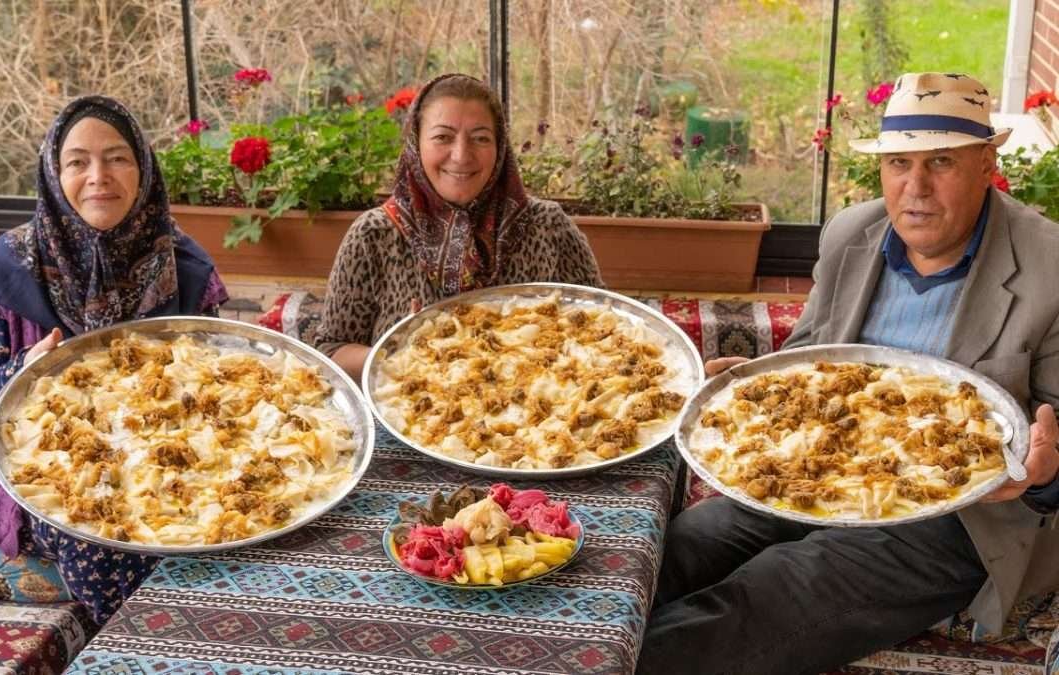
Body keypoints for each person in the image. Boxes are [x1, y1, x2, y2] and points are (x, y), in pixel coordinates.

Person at [638, 72, 1059, 674]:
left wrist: (1046, 471)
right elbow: (811, 356)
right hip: (813, 470)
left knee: (769, 593)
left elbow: (1053, 428)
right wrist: (757, 381)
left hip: (954, 513)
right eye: (898, 164)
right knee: (679, 549)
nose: (915, 188)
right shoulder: (851, 233)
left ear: (987, 163)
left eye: (941, 161)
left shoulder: (1051, 265)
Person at [0, 96, 228, 625]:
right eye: (78, 162)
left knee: (228, 513)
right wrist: (20, 371)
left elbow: (223, 379)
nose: (99, 176)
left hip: (181, 453)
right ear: (53, 173)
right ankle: (134, 647)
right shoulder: (3, 270)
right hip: (40, 461)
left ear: (142, 169)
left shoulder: (183, 266)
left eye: (117, 157)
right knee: (101, 527)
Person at [313, 73, 603, 379]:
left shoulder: (548, 226)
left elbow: (605, 327)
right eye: (443, 137)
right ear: (416, 142)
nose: (462, 155)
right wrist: (400, 351)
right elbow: (330, 352)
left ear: (500, 146)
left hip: (546, 417)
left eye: (480, 138)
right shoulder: (374, 234)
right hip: (412, 418)